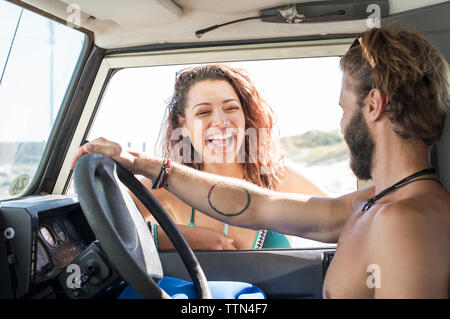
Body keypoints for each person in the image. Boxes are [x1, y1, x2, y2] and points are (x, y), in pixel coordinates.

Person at [71, 24, 449, 298]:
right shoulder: (369, 206)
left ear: (373, 105)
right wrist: (139, 162)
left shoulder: (404, 224)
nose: (340, 121)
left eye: (343, 108)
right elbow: (256, 204)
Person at [107, 64, 327, 251]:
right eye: (203, 112)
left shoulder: (276, 177)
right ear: (182, 125)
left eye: (231, 108)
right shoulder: (164, 185)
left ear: (245, 116)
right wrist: (176, 238)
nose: (221, 121)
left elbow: (349, 221)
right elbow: (103, 231)